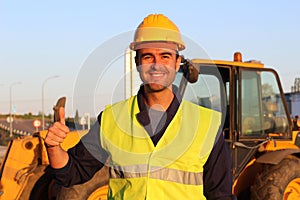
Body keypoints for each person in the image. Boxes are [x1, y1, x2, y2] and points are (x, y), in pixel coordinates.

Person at [45, 13, 234, 199]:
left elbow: (220, 195)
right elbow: (72, 173)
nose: (156, 65)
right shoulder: (112, 119)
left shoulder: (206, 124)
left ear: (177, 63)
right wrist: (54, 147)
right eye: (148, 57)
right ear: (137, 62)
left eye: (165, 56)